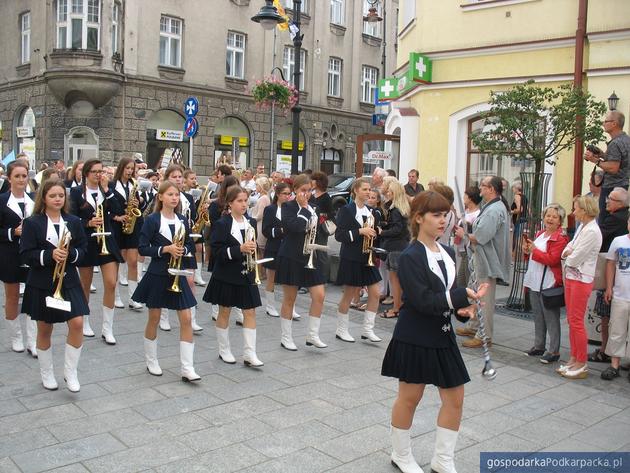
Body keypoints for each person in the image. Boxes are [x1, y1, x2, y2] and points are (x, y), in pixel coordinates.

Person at [381, 191, 486, 473]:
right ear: (419, 218)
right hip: (415, 336)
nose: (443, 220)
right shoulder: (409, 256)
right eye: (436, 215)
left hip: (442, 335)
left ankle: (443, 460)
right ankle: (401, 455)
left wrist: (463, 308)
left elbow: (446, 297)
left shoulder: (449, 253)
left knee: (455, 398)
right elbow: (422, 301)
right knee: (410, 398)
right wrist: (460, 297)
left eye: (445, 214)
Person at [20, 180, 89, 392]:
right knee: (44, 328)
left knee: (77, 323)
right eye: (53, 196)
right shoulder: (32, 223)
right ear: (44, 198)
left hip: (68, 281)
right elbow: (26, 254)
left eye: (61, 195)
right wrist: (49, 255)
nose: (58, 199)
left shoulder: (74, 221)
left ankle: (71, 372)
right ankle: (47, 373)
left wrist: (71, 255)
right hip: (42, 282)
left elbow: (83, 248)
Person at [132, 181, 201, 382]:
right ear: (161, 197)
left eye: (177, 195)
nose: (174, 198)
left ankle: (187, 367)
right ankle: (151, 360)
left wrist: (183, 250)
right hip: (159, 273)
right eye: (170, 194)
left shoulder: (182, 219)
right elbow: (143, 248)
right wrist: (165, 250)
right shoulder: (152, 220)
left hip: (178, 273)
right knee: (154, 317)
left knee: (187, 318)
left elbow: (189, 243)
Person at [203, 186, 264, 367]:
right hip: (227, 274)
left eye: (246, 200)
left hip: (247, 274)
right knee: (225, 311)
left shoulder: (250, 223)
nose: (244, 204)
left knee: (250, 312)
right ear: (230, 203)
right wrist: (239, 249)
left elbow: (253, 247)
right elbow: (217, 251)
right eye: (239, 201)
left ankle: (249, 353)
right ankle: (224, 350)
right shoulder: (222, 224)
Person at [69, 159, 124, 343]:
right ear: (86, 173)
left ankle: (107, 328)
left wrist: (107, 191)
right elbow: (71, 217)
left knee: (111, 283)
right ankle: (85, 321)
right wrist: (87, 223)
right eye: (95, 172)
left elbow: (117, 210)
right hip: (87, 241)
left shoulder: (105, 190)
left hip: (106, 239)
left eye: (101, 171)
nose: (99, 175)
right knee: (85, 285)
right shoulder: (77, 192)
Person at [275, 174, 327, 351]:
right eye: (303, 190)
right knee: (290, 298)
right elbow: (295, 227)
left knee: (319, 295)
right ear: (295, 190)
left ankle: (312, 335)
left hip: (310, 256)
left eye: (309, 190)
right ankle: (286, 337)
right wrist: (304, 209)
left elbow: (316, 230)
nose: (307, 194)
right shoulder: (288, 207)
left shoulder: (314, 207)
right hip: (291, 256)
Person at [462, 176, 511, 348]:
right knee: (476, 294)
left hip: (487, 260)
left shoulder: (493, 210)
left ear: (491, 189)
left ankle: (484, 335)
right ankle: (474, 326)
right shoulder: (491, 206)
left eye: (483, 186)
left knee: (485, 299)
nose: (480, 189)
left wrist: (464, 234)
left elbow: (482, 236)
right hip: (482, 258)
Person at [558, 195, 602, 379]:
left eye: (576, 208)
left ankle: (581, 362)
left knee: (576, 321)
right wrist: (568, 254)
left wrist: (568, 255)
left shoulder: (592, 231)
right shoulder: (583, 227)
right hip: (572, 276)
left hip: (581, 279)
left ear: (584, 210)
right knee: (571, 319)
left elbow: (575, 256)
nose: (573, 212)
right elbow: (568, 248)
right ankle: (574, 357)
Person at [334, 177, 382, 343]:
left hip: (367, 257)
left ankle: (368, 329)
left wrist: (376, 233)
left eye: (369, 190)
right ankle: (341, 329)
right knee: (349, 295)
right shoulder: (347, 210)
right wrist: (360, 231)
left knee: (376, 293)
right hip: (351, 257)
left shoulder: (372, 212)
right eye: (365, 189)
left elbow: (373, 233)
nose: (368, 192)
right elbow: (339, 235)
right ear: (355, 191)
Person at [522, 204, 569, 364]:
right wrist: (528, 251)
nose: (549, 219)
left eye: (554, 217)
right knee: (538, 316)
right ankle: (539, 345)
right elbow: (535, 256)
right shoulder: (540, 233)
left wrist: (534, 251)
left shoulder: (560, 239)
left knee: (551, 318)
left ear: (560, 221)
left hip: (549, 282)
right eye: (548, 215)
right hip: (535, 280)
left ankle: (554, 350)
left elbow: (552, 260)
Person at [587, 187, 629, 364]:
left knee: (607, 315)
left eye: (610, 199)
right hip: (618, 275)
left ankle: (606, 351)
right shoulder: (620, 217)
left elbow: (599, 236)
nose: (606, 201)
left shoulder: (615, 219)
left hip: (614, 275)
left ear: (620, 203)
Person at [0, 161, 37, 356]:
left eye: (24, 176)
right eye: (17, 176)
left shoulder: (34, 199)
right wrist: (12, 232)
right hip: (9, 254)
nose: (22, 180)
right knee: (12, 296)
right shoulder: (2, 200)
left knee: (32, 297)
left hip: (31, 254)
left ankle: (32, 339)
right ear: (9, 178)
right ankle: (16, 336)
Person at [111, 157, 146, 312]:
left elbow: (140, 203)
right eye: (127, 168)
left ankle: (133, 297)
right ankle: (116, 296)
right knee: (118, 261)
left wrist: (140, 202)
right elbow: (106, 206)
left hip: (133, 224)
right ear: (121, 168)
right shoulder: (112, 185)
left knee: (132, 261)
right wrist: (117, 216)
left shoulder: (134, 184)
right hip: (118, 225)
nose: (130, 171)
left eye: (132, 169)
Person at [583, 111, 630, 220]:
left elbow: (613, 168)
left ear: (614, 124)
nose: (603, 123)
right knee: (618, 220)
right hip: (623, 186)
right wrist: (602, 155)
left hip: (611, 188)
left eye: (606, 121)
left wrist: (594, 160)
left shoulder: (615, 143)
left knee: (606, 220)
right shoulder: (626, 140)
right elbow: (620, 162)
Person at [600, 216, 630, 381]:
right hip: (620, 294)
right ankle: (614, 365)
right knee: (617, 330)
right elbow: (610, 264)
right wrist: (609, 287)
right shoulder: (618, 241)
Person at [379, 177, 411, 319]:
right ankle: (398, 307)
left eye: (390, 192)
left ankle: (396, 308)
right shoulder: (400, 208)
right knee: (396, 281)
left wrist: (382, 232)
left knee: (395, 281)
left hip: (395, 248)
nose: (387, 194)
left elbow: (398, 229)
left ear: (395, 193)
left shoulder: (396, 210)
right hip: (400, 247)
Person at [262, 182, 291, 317]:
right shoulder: (270, 209)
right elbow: (265, 230)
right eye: (284, 194)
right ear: (278, 194)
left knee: (288, 279)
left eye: (289, 194)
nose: (287, 196)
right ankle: (270, 306)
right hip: (273, 247)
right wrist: (281, 231)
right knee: (271, 278)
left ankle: (291, 306)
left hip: (287, 248)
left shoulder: (291, 209)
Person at [454, 186, 481, 292]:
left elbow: (476, 234)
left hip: (470, 250)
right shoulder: (466, 211)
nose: (463, 197)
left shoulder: (477, 214)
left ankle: (468, 305)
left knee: (465, 281)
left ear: (470, 198)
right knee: (461, 281)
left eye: (465, 195)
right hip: (462, 249)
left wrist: (464, 233)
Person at [309, 171, 333, 279]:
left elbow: (331, 214)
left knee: (321, 253)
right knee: (310, 252)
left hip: (322, 229)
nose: (311, 181)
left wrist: (320, 214)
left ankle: (322, 278)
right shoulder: (312, 195)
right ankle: (312, 277)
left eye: (313, 179)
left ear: (318, 182)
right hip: (312, 227)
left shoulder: (326, 197)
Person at [510, 181, 528, 251]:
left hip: (518, 220)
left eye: (513, 188)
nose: (512, 189)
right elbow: (528, 209)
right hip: (524, 219)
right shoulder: (524, 197)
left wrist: (511, 211)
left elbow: (520, 209)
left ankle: (514, 255)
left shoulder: (517, 196)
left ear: (516, 188)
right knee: (521, 238)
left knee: (516, 238)